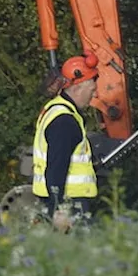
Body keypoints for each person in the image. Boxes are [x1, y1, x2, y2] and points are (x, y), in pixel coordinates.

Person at [31, 51, 100, 226]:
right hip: (69, 203)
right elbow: (56, 168)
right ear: (77, 88)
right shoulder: (65, 121)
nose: (94, 95)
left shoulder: (56, 109)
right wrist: (59, 209)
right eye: (91, 90)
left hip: (60, 200)